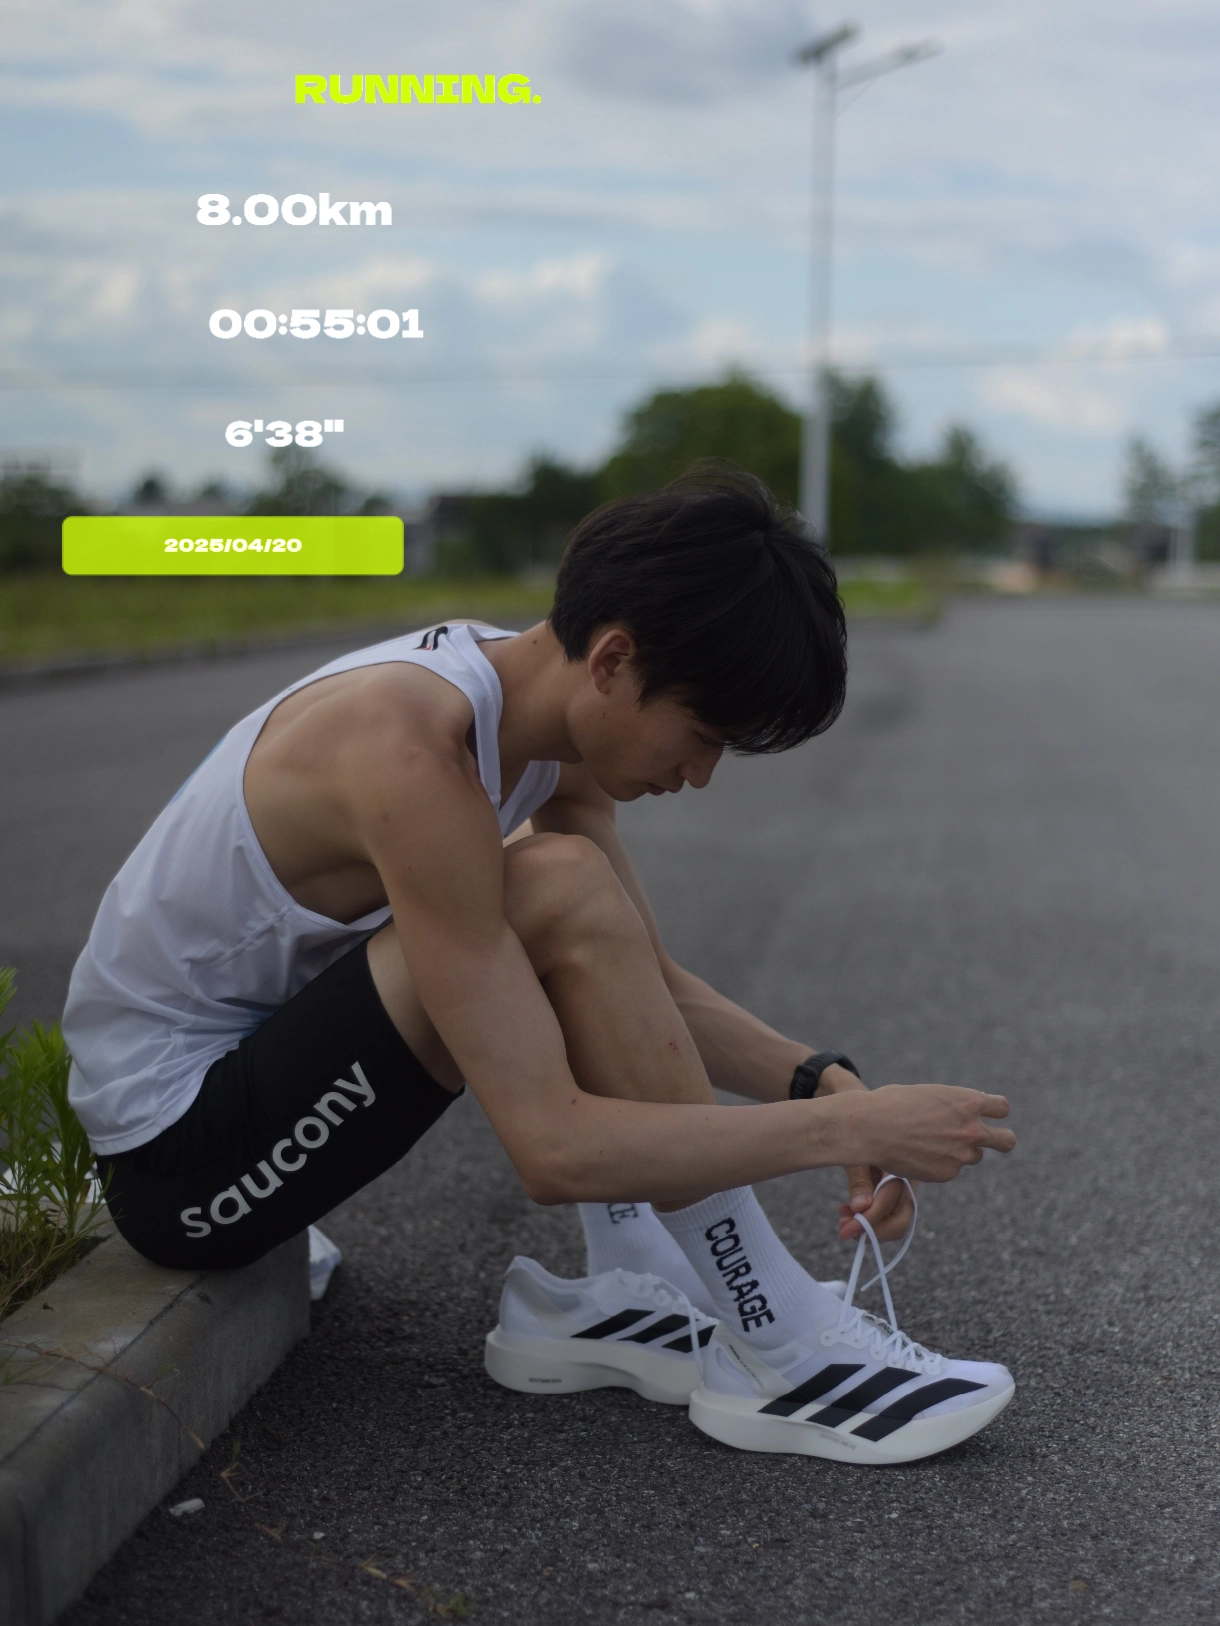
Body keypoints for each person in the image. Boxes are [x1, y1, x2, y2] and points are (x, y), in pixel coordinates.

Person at [63, 466, 1016, 1465]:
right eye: (702, 737)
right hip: (183, 1164)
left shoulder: (531, 712)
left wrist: (820, 1079)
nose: (699, 775)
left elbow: (641, 983)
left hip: (262, 1081)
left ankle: (633, 1273)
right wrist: (845, 1131)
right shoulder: (410, 753)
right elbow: (552, 1149)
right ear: (614, 658)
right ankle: (781, 1343)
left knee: (564, 894)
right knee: (555, 884)